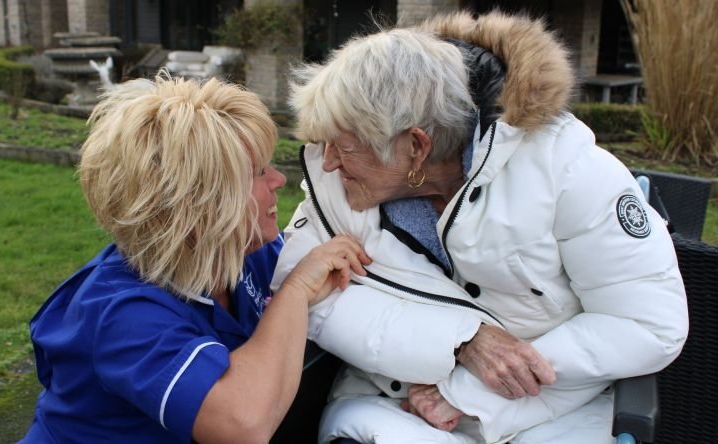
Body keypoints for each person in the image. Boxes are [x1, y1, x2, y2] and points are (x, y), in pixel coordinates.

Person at [271, 11, 688, 444]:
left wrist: (466, 392)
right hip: (391, 406)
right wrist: (460, 341)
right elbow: (307, 296)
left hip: (552, 414)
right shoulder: (336, 183)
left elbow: (647, 323)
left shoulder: (565, 168)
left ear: (416, 147)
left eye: (344, 147)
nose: (328, 162)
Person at [20, 74, 371, 443]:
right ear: (198, 204)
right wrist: (296, 291)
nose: (278, 181)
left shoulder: (247, 256)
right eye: (257, 173)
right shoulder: (121, 315)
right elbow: (245, 424)